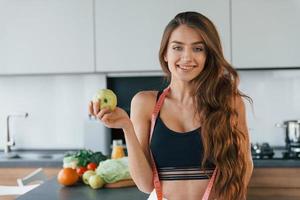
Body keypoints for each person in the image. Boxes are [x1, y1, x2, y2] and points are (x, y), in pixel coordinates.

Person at [89, 11, 253, 200]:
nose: (187, 57)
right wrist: (126, 127)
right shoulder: (145, 103)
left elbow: (244, 166)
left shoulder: (228, 101)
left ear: (208, 55)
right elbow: (145, 184)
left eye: (198, 49)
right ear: (165, 54)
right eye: (177, 48)